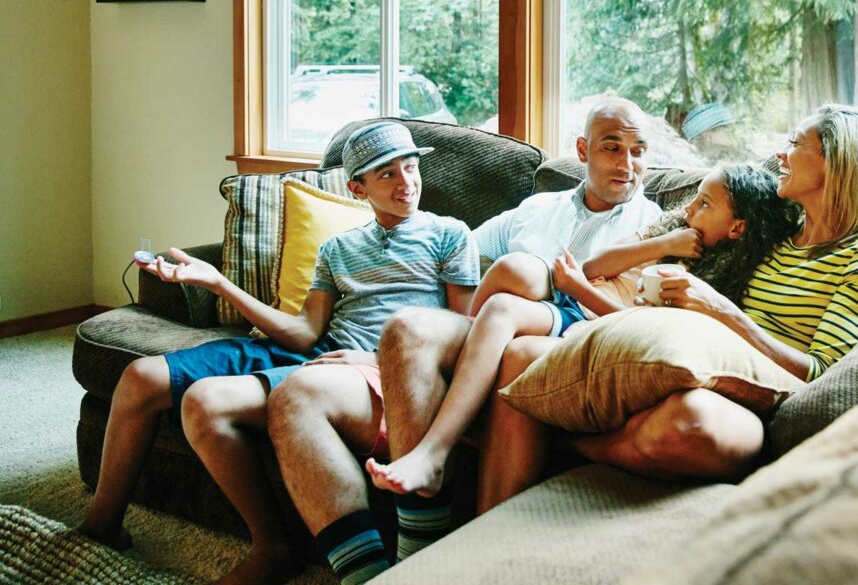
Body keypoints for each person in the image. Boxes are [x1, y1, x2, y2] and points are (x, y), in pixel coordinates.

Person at [79, 121, 479, 585]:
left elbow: (462, 333)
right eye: (387, 174)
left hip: (383, 367)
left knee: (213, 401)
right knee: (161, 384)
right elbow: (305, 333)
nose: (406, 182)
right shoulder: (339, 247)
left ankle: (292, 553)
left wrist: (375, 359)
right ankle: (114, 529)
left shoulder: (450, 234)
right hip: (323, 353)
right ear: (358, 188)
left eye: (410, 168)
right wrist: (217, 283)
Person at [267, 97, 662, 567]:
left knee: (513, 281)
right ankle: (410, 552)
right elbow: (447, 255)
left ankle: (421, 542)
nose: (627, 164)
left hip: (556, 341)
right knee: (406, 327)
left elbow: (640, 319)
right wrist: (377, 344)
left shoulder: (653, 228)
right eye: (612, 148)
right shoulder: (537, 209)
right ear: (583, 150)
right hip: (485, 333)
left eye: (638, 151)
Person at [477, 104, 858, 514]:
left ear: (837, 163)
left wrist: (719, 310)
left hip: (764, 404)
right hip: (697, 367)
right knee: (523, 355)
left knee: (688, 422)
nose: (781, 154)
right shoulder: (780, 232)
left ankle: (564, 443)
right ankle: (480, 533)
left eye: (796, 144)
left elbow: (824, 378)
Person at [365, 163, 800, 496]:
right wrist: (664, 243)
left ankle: (436, 448)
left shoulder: (705, 286)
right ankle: (441, 432)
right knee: (500, 302)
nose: (688, 209)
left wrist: (578, 287)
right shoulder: (671, 232)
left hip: (593, 325)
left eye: (704, 204)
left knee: (506, 318)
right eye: (695, 198)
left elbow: (633, 327)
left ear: (737, 227)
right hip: (576, 307)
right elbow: (596, 265)